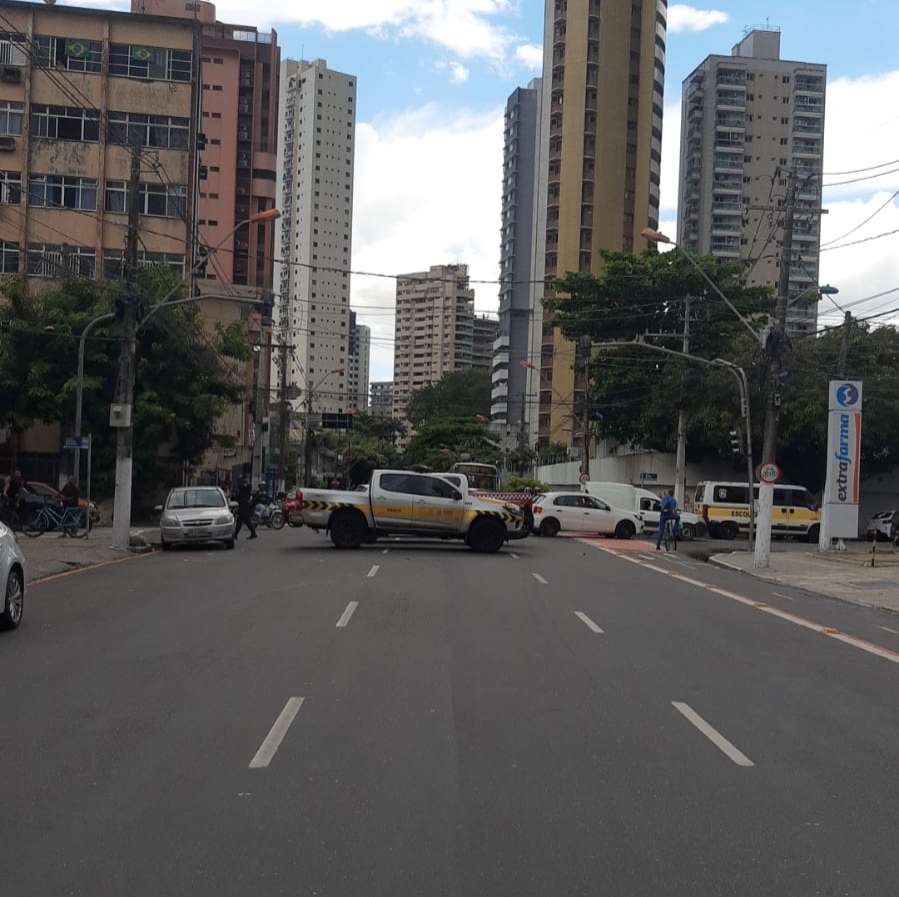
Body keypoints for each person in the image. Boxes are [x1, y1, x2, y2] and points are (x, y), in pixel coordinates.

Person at [233, 474, 258, 540]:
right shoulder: (243, 486)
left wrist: (240, 482)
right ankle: (236, 534)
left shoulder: (247, 485)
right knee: (242, 520)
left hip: (245, 504)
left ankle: (252, 532)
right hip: (242, 504)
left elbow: (241, 486)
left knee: (244, 520)